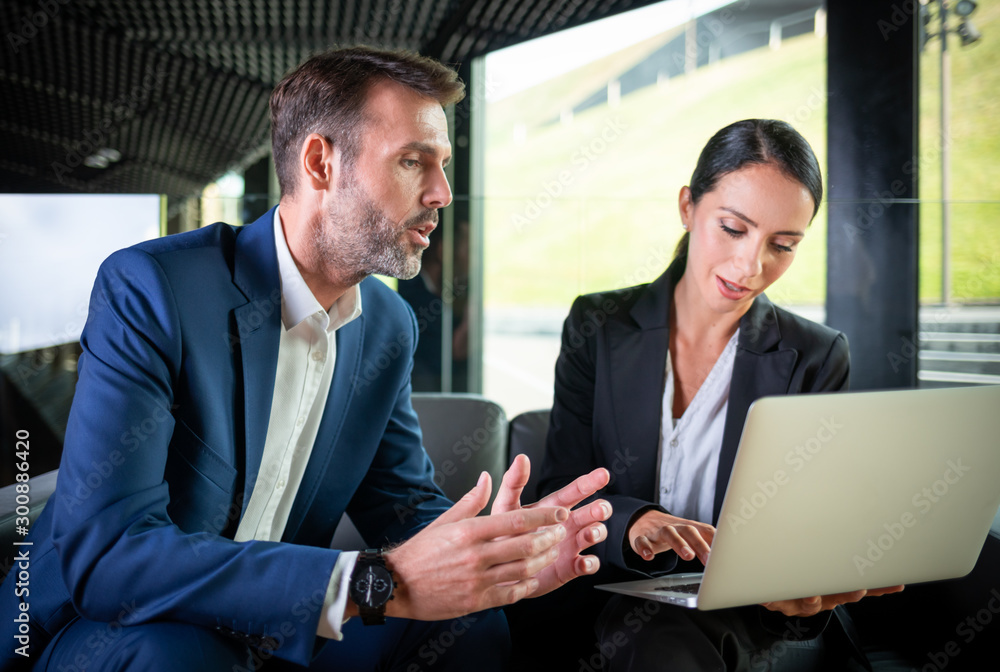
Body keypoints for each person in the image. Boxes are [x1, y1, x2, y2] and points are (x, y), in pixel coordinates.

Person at [0, 46, 612, 672]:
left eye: (444, 166)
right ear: (320, 161)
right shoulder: (153, 289)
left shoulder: (386, 326)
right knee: (179, 655)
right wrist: (370, 582)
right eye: (411, 161)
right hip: (102, 626)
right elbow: (109, 556)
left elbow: (400, 508)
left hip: (271, 630)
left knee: (468, 626)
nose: (442, 193)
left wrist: (502, 550)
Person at [530, 119, 901, 671]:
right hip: (608, 590)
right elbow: (560, 486)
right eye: (733, 228)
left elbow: (810, 522)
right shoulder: (600, 325)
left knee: (662, 639)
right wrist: (633, 523)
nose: (751, 267)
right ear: (688, 207)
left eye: (783, 245)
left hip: (744, 615)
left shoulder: (817, 356)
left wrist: (803, 575)